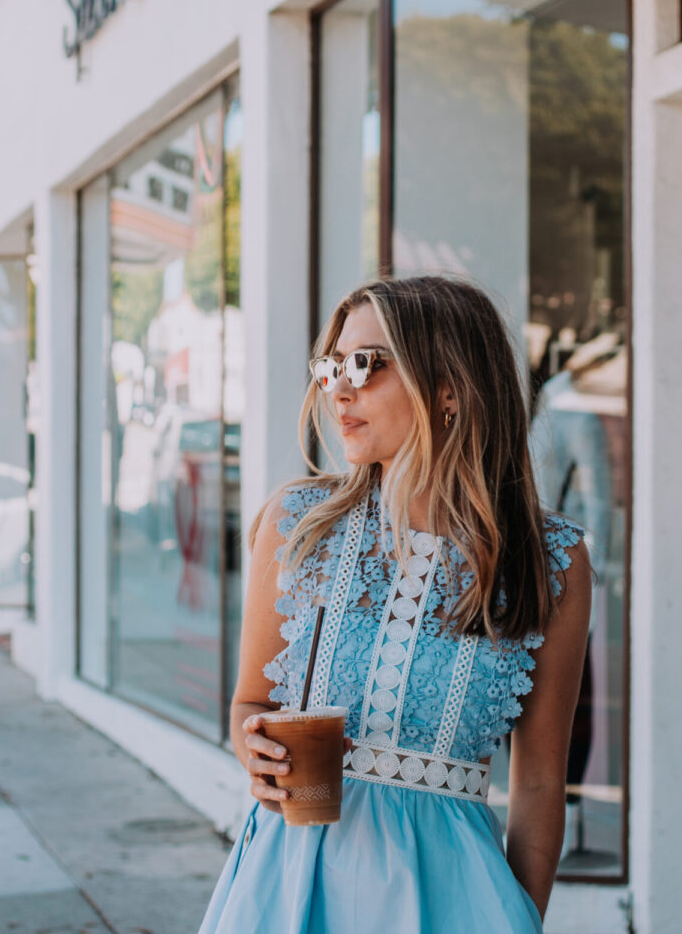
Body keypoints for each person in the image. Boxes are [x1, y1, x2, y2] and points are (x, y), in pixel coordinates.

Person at [198, 276, 592, 932]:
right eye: (331, 367)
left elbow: (540, 783)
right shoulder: (298, 524)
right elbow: (251, 704)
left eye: (365, 364)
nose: (339, 387)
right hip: (291, 884)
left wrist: (521, 916)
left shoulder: (551, 561)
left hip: (456, 899)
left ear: (450, 388)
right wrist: (256, 748)